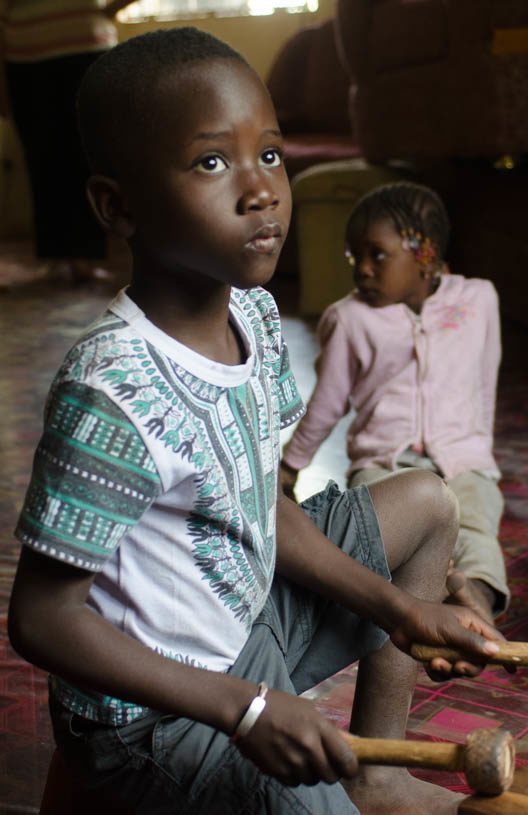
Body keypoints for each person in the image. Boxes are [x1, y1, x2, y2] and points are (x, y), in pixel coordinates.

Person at [7, 27, 502, 815]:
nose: (260, 189)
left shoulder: (255, 317)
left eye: (268, 154)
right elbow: (40, 617)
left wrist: (400, 609)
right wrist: (246, 706)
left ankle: (376, 775)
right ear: (118, 205)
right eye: (212, 162)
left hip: (246, 625)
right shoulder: (113, 387)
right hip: (159, 718)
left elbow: (259, 505)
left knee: (430, 502)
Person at [279, 182, 510, 627]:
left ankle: (474, 597)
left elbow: (486, 381)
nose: (361, 269)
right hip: (384, 461)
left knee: (478, 525)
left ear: (425, 254)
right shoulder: (350, 319)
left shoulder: (478, 301)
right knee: (372, 531)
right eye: (354, 257)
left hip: (462, 457)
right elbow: (327, 402)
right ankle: (406, 605)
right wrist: (292, 464)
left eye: (375, 255)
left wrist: (479, 450)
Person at [1, 0, 138, 283]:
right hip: (25, 58)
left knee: (89, 155)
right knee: (42, 158)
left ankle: (87, 258)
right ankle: (57, 258)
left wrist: (109, 9)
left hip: (85, 48)